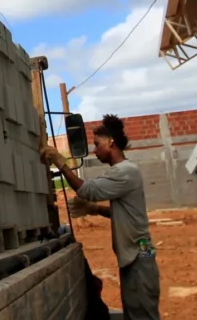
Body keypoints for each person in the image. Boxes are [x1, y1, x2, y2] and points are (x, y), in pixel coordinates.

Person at [40, 114, 161, 320]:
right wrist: (94, 209)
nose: (94, 151)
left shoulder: (125, 172)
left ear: (111, 142)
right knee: (134, 311)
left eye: (97, 145)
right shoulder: (124, 171)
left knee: (142, 314)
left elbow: (86, 189)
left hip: (139, 255)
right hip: (137, 253)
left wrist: (61, 163)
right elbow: (124, 213)